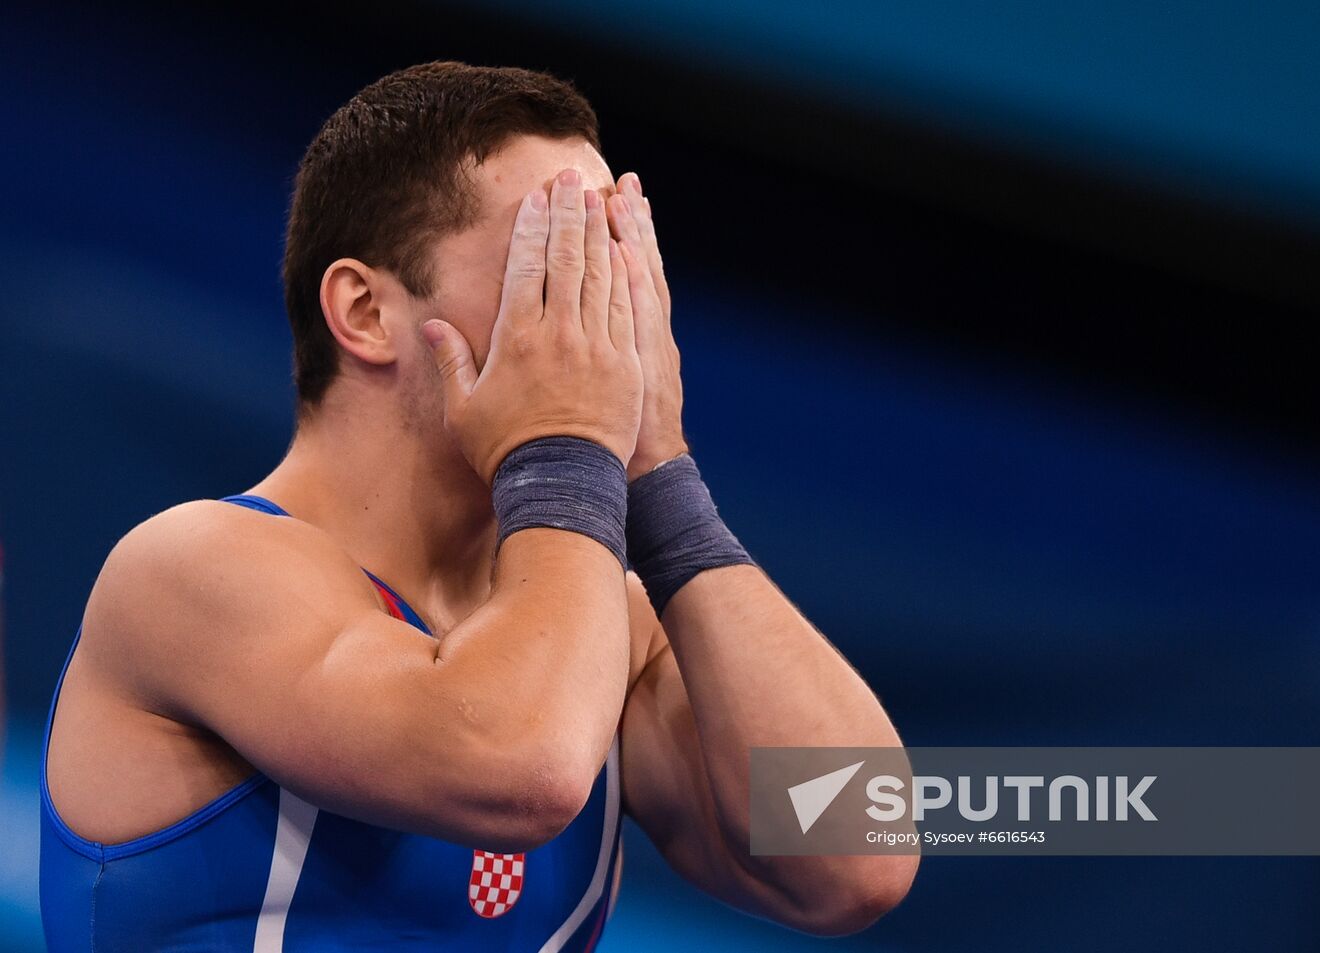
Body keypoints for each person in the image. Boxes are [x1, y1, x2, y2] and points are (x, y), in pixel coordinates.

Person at [40, 62, 917, 951]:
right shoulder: (192, 568)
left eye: (611, 260)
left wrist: (661, 475)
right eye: (551, 259)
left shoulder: (604, 624)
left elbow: (859, 857)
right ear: (365, 311)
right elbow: (518, 764)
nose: (595, 315)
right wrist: (569, 447)